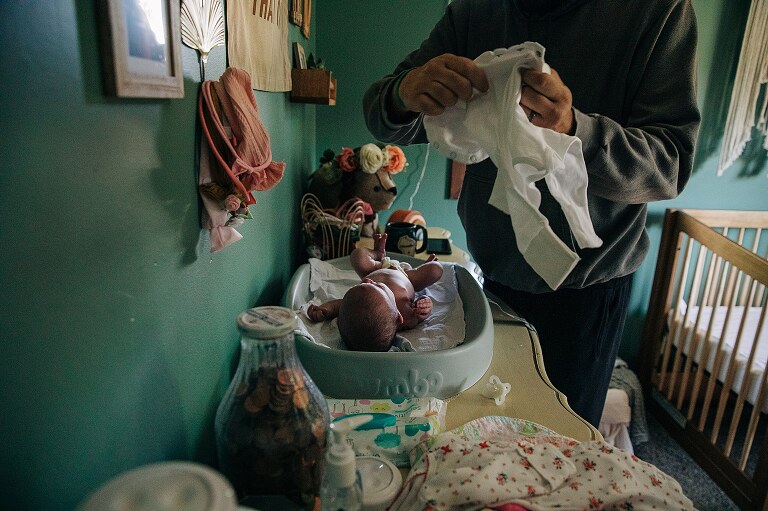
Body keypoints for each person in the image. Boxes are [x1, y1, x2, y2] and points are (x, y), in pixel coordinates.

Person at [362, 0, 701, 426]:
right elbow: (382, 109)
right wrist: (403, 93)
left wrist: (575, 131)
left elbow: (668, 165)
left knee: (564, 449)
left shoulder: (658, 12)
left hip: (587, 297)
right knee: (482, 429)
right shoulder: (474, 12)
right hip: (491, 283)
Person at [306, 233, 444, 352]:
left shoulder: (356, 304)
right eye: (379, 287)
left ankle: (377, 253)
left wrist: (325, 310)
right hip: (407, 276)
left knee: (357, 255)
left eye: (362, 284)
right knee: (436, 269)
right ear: (398, 317)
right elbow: (422, 314)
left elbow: (338, 306)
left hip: (376, 268)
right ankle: (422, 267)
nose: (367, 281)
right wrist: (425, 304)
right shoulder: (406, 316)